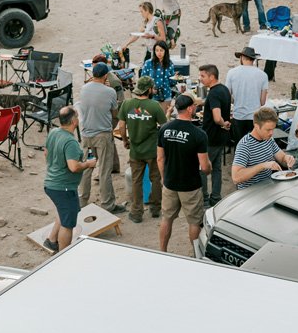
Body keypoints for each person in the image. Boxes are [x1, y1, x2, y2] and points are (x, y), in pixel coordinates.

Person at [157, 93, 210, 253]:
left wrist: (163, 178)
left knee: (166, 218)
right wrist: (208, 169)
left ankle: (162, 251)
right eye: (194, 105)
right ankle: (195, 254)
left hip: (170, 182)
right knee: (194, 222)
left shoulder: (164, 129)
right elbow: (204, 166)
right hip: (190, 185)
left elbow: (160, 158)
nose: (195, 107)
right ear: (189, 108)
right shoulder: (199, 134)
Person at [42, 106, 97, 253]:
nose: (78, 119)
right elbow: (73, 167)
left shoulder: (53, 132)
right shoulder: (70, 142)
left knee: (64, 212)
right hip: (63, 187)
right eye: (77, 117)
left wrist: (56, 165)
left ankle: (51, 240)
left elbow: (46, 153)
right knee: (68, 223)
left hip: (51, 183)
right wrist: (88, 164)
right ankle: (63, 254)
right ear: (73, 121)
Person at [117, 76, 167, 223]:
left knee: (136, 181)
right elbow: (164, 126)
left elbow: (121, 126)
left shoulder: (127, 104)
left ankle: (137, 212)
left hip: (135, 150)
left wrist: (126, 141)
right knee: (156, 179)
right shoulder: (154, 105)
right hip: (152, 151)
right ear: (149, 89)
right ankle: (155, 209)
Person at [78, 62, 124, 214]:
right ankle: (108, 204)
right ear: (105, 76)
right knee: (104, 170)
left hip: (86, 135)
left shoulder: (84, 88)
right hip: (102, 136)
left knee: (86, 168)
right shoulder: (110, 92)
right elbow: (115, 112)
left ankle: (82, 200)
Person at [231, 107, 295, 188]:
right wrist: (263, 166)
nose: (271, 133)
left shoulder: (268, 139)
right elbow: (236, 177)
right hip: (250, 193)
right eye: (268, 130)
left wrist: (287, 158)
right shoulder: (245, 145)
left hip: (267, 188)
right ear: (256, 126)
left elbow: (282, 158)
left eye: (273, 129)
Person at [196, 64, 232, 206]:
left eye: (203, 76)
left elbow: (217, 118)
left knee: (203, 169)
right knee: (216, 168)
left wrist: (223, 123)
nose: (200, 79)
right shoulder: (224, 89)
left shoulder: (214, 93)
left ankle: (204, 199)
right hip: (221, 137)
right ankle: (216, 197)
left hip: (211, 137)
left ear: (212, 76)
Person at [226, 47, 269, 148]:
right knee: (254, 147)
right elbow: (262, 102)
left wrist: (236, 99)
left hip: (238, 115)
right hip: (255, 117)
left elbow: (228, 96)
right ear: (253, 59)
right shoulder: (263, 75)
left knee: (240, 147)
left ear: (242, 57)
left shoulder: (232, 73)